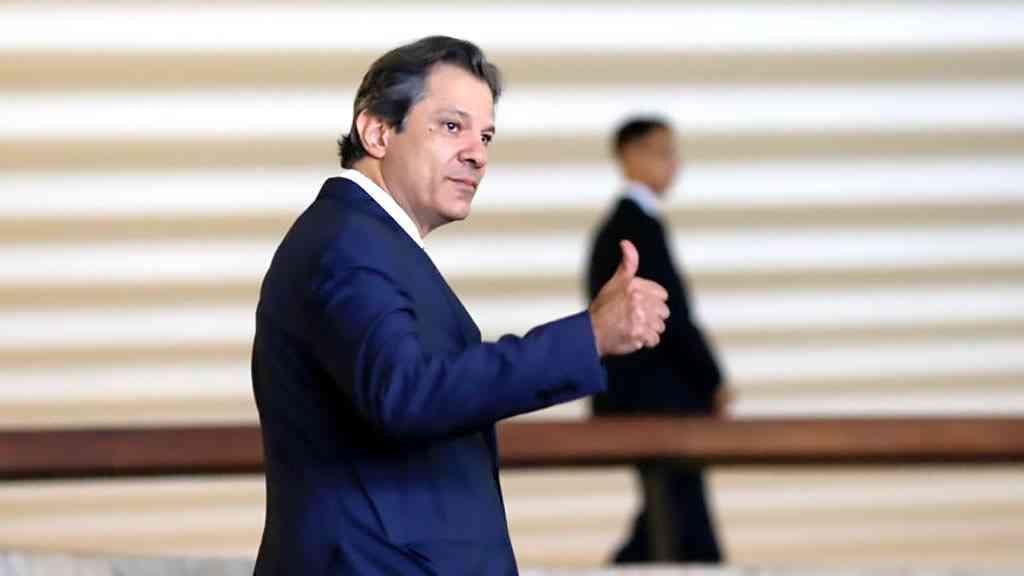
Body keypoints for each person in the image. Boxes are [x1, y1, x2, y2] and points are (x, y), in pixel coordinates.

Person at [251, 37, 670, 575]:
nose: (478, 154)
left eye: (486, 136)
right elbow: (408, 392)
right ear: (377, 132)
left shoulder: (369, 240)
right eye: (452, 126)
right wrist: (587, 336)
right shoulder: (347, 243)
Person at [586, 117, 733, 564]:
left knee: (669, 513)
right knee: (681, 517)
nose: (674, 164)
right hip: (656, 400)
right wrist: (711, 380)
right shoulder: (633, 227)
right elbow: (671, 318)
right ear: (630, 156)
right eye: (663, 152)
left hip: (649, 398)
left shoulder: (628, 225)